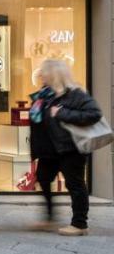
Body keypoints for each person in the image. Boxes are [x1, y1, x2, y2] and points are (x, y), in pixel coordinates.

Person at [29, 59, 101, 237]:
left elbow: (94, 114)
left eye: (44, 72)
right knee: (43, 179)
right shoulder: (44, 95)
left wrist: (62, 113)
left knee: (75, 185)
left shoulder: (75, 94)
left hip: (70, 148)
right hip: (49, 150)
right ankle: (50, 218)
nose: (41, 75)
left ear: (54, 74)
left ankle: (79, 224)